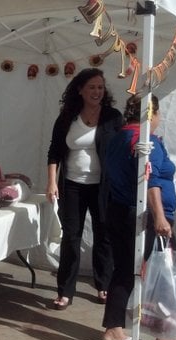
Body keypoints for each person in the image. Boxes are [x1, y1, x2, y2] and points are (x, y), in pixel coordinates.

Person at [101, 94, 176, 340]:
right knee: (167, 276)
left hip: (121, 210)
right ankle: (166, 335)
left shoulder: (118, 137)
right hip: (145, 217)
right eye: (158, 112)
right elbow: (150, 180)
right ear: (150, 113)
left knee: (123, 270)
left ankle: (113, 328)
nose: (160, 118)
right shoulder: (145, 141)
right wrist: (160, 218)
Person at [45, 68, 123, 310]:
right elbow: (54, 151)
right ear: (80, 89)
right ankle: (65, 291)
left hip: (103, 187)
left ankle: (103, 286)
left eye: (100, 87)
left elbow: (122, 149)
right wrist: (51, 182)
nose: (97, 92)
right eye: (92, 87)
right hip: (72, 186)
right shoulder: (67, 117)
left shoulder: (112, 116)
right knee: (70, 238)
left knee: (104, 237)